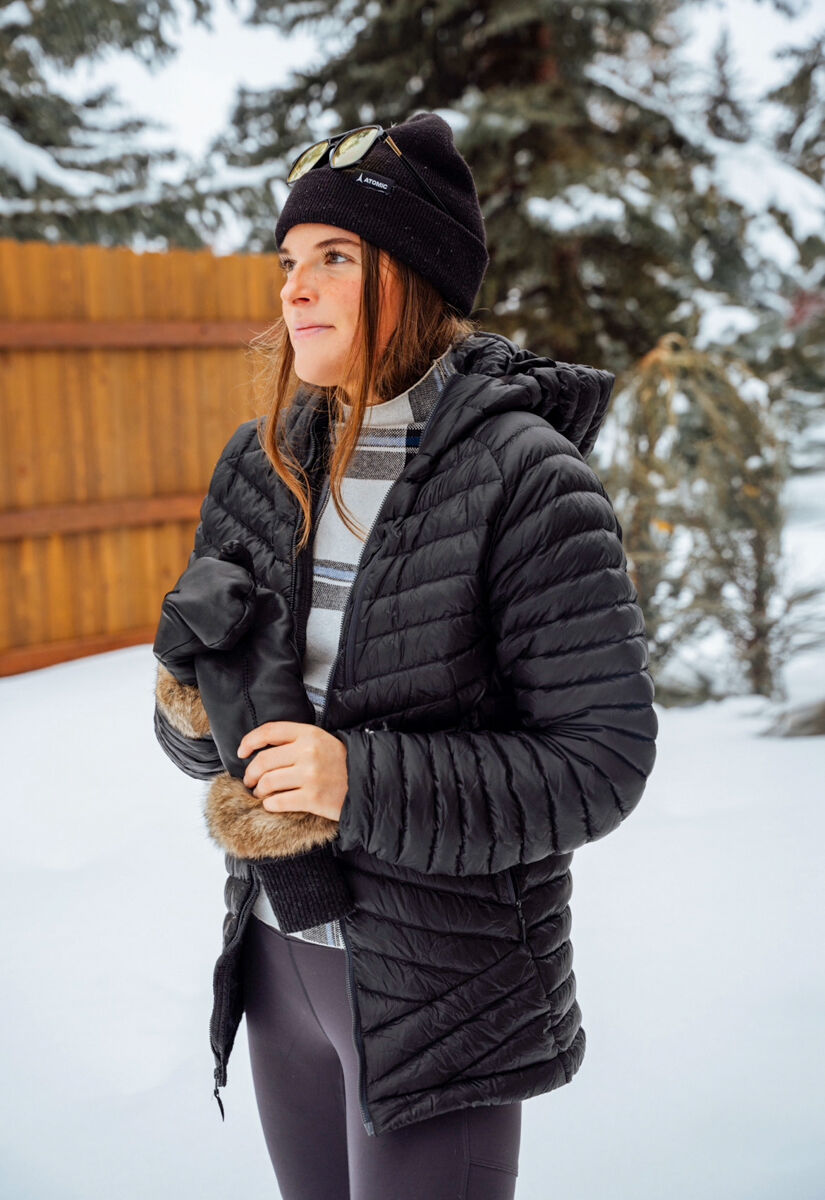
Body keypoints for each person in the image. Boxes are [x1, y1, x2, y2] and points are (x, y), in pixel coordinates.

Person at [152, 111, 658, 1200]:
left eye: (335, 257)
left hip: (445, 993)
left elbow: (600, 761)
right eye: (290, 260)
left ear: (414, 275)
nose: (295, 289)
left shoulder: (527, 478)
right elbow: (212, 740)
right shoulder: (262, 464)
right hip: (279, 962)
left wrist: (355, 778)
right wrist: (191, 706)